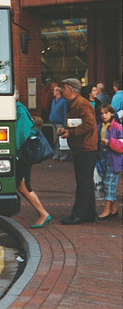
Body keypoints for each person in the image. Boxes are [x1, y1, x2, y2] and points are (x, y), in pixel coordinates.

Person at [57, 78, 98, 225]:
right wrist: (66, 130)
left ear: (71, 89)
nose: (62, 90)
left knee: (83, 182)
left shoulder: (82, 104)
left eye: (64, 87)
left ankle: (79, 215)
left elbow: (89, 124)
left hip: (86, 148)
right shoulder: (74, 104)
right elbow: (78, 123)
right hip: (82, 148)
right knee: (85, 181)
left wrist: (71, 133)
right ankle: (89, 214)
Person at [15, 91, 52, 228]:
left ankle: (43, 213)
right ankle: (42, 213)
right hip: (23, 153)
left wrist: (15, 153)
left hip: (23, 154)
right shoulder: (17, 109)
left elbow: (21, 135)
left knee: (23, 185)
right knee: (22, 185)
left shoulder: (19, 110)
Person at [96, 104, 123, 220]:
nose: (103, 115)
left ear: (111, 113)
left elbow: (121, 144)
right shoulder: (99, 126)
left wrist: (110, 142)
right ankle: (113, 208)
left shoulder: (117, 127)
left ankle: (107, 209)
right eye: (101, 113)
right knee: (107, 181)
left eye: (106, 113)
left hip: (113, 158)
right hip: (103, 156)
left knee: (109, 183)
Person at [49, 85, 68, 161]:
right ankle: (56, 155)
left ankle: (63, 156)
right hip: (54, 122)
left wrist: (64, 124)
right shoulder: (54, 101)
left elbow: (64, 113)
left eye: (54, 90)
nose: (53, 92)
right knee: (55, 140)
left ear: (58, 92)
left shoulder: (63, 101)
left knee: (62, 139)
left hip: (60, 123)